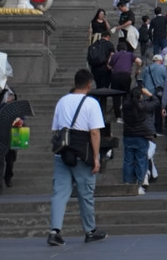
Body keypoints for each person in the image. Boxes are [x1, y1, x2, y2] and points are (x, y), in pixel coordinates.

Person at [47, 69, 106, 247]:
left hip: (62, 152)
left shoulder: (62, 101)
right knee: (85, 193)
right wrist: (96, 158)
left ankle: (54, 231)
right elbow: (94, 132)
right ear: (89, 84)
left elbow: (56, 129)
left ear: (75, 83)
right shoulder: (92, 103)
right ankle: (90, 230)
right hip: (82, 152)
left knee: (59, 193)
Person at [122, 81, 158, 194]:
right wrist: (148, 93)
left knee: (128, 160)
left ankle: (127, 182)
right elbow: (156, 102)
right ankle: (139, 183)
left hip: (128, 135)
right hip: (141, 136)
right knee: (141, 161)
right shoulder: (143, 106)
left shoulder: (125, 105)